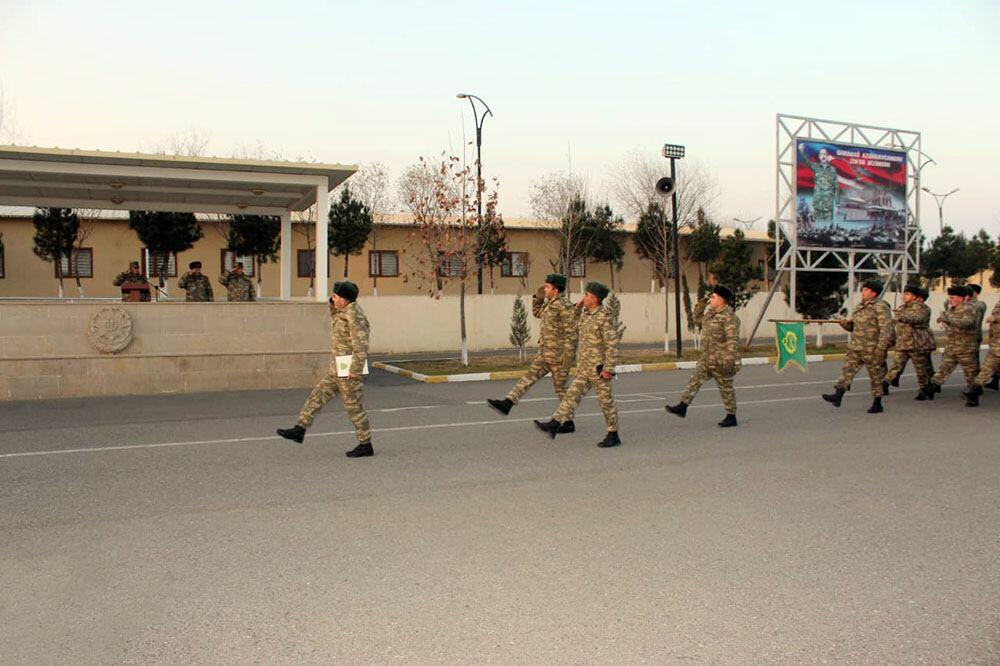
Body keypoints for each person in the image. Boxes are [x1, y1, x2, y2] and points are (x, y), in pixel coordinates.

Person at [277, 281, 373, 458]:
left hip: (349, 368)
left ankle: (365, 444)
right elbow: (333, 312)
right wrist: (333, 301)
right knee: (317, 395)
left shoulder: (355, 316)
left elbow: (361, 345)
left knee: (354, 408)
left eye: (335, 296)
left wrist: (355, 369)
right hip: (337, 367)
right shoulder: (343, 311)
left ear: (344, 299)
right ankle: (300, 429)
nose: (332, 298)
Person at [534, 281, 621, 448]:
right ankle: (554, 423)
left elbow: (612, 345)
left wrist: (609, 369)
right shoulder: (586, 315)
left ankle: (613, 433)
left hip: (598, 369)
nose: (584, 297)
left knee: (606, 402)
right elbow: (571, 320)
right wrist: (579, 306)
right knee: (570, 396)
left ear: (595, 299)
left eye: (587, 295)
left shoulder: (604, 317)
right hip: (584, 368)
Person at [487, 273, 578, 427]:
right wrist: (538, 298)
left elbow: (572, 333)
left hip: (559, 358)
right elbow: (537, 313)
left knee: (561, 390)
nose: (545, 288)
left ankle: (568, 422)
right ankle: (508, 403)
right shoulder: (551, 303)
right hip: (545, 354)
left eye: (547, 287)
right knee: (528, 377)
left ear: (556, 290)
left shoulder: (564, 306)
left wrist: (568, 357)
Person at [665, 284, 741, 427]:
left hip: (721, 360)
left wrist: (729, 360)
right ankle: (683, 406)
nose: (711, 299)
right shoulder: (711, 315)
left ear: (722, 300)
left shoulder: (729, 317)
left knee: (726, 389)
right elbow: (697, 320)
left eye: (713, 297)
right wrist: (701, 305)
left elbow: (732, 340)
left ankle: (731, 416)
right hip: (706, 359)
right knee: (694, 380)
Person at [821, 279, 893, 413]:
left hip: (872, 349)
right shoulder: (860, 306)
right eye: (863, 289)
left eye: (866, 290)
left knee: (875, 376)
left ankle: (877, 403)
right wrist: (845, 324)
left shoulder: (881, 307)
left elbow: (886, 329)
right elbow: (854, 327)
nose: (862, 292)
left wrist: (881, 348)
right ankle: (838, 395)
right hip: (856, 347)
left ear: (873, 293)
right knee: (847, 371)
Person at [921, 285, 980, 399]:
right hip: (952, 346)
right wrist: (944, 320)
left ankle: (973, 396)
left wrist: (947, 319)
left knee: (970, 375)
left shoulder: (970, 309)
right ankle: (930, 389)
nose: (950, 300)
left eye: (953, 298)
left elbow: (967, 322)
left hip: (966, 348)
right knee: (943, 369)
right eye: (950, 297)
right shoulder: (952, 309)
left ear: (961, 298)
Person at [886, 285, 935, 398]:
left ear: (915, 296)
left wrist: (902, 317)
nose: (904, 296)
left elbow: (917, 319)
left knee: (921, 369)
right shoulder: (903, 308)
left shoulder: (922, 308)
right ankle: (885, 384)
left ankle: (925, 389)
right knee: (896, 366)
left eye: (908, 294)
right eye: (904, 293)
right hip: (903, 343)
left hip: (917, 344)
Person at [962, 299, 1000, 406]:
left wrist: (996, 318)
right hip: (996, 345)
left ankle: (974, 392)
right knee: (986, 369)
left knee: (986, 369)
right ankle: (973, 394)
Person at [799, 144, 839, 221]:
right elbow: (806, 161)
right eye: (821, 154)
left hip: (828, 205)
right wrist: (802, 151)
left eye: (825, 154)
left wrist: (837, 204)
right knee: (816, 223)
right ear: (819, 157)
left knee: (827, 225)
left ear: (827, 156)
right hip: (817, 204)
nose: (823, 156)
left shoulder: (832, 169)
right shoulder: (815, 167)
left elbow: (836, 187)